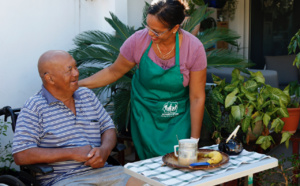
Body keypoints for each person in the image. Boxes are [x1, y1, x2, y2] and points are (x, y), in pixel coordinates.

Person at [79, 0, 207, 159]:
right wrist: (80, 84)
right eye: (148, 27)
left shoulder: (193, 48)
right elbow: (113, 72)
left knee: (179, 162)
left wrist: (194, 140)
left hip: (177, 115)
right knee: (148, 165)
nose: (150, 34)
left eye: (157, 31)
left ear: (175, 28)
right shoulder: (138, 41)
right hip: (145, 113)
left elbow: (196, 97)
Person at [12, 50, 144, 186]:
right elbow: (21, 155)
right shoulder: (34, 107)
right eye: (69, 70)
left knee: (147, 182)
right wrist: (72, 153)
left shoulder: (87, 95)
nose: (76, 73)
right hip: (64, 179)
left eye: (75, 67)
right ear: (49, 79)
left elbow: (108, 128)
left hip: (104, 172)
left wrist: (104, 150)